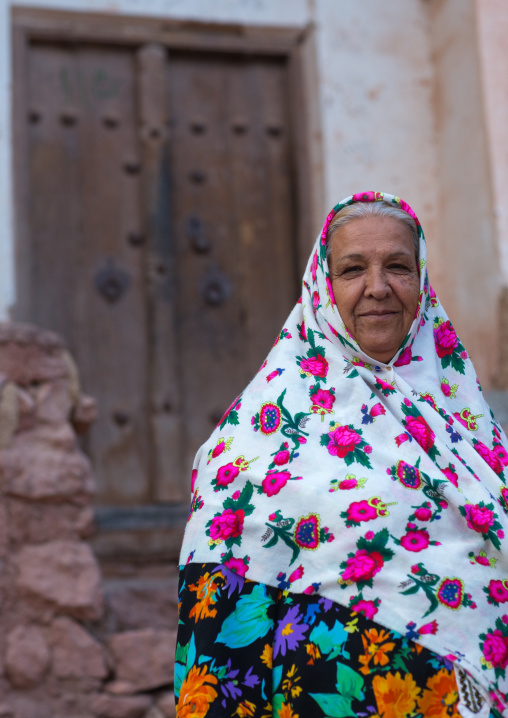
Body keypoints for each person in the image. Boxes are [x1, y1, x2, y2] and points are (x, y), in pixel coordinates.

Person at [175, 192, 508, 718]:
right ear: (322, 287)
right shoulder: (251, 443)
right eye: (353, 269)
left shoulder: (466, 425)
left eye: (398, 266)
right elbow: (218, 633)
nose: (378, 288)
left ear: (421, 280)